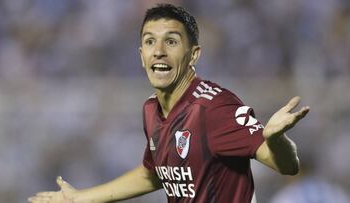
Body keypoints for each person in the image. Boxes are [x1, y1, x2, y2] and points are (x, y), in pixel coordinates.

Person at [28, 3, 310, 203]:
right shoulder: (150, 109)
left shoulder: (214, 108)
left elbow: (286, 166)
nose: (159, 52)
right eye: (150, 42)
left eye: (171, 42)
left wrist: (275, 140)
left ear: (194, 55)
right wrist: (81, 198)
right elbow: (154, 175)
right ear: (141, 55)